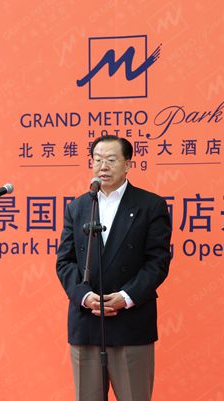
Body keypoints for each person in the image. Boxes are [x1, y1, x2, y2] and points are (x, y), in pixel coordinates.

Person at [56, 135, 172, 401]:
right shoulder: (78, 207)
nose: (103, 167)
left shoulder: (150, 205)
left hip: (130, 322)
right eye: (97, 160)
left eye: (110, 160)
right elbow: (65, 261)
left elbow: (157, 261)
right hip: (87, 321)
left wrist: (126, 297)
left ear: (128, 164)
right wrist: (85, 297)